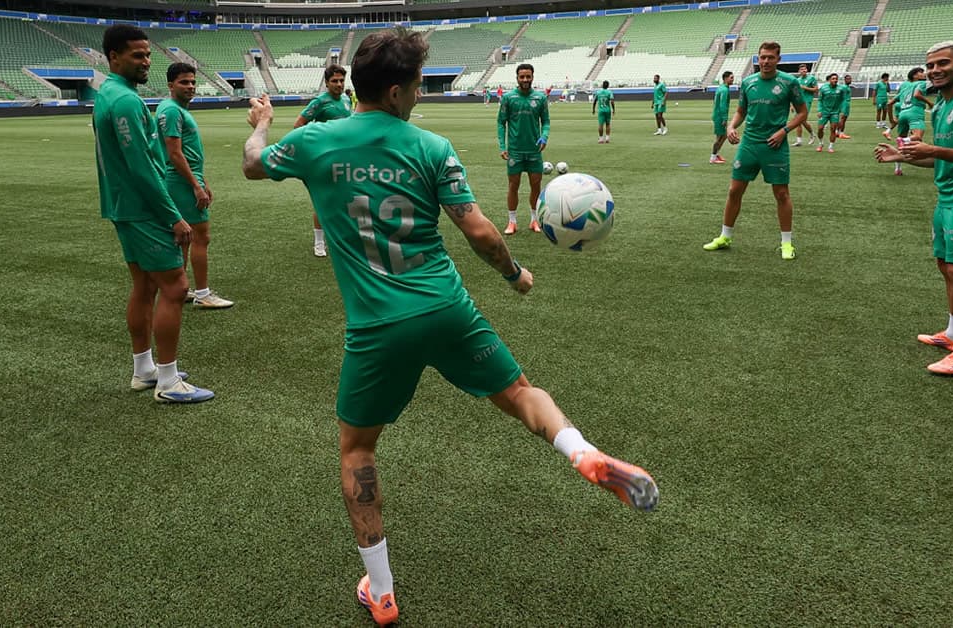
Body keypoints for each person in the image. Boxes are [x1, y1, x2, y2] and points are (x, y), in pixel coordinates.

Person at [241, 28, 659, 626]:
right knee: (517, 392)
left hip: (378, 327)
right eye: (415, 86)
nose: (419, 96)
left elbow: (254, 165)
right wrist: (515, 275)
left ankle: (381, 592)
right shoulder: (431, 147)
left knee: (358, 448)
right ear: (393, 92)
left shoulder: (314, 140)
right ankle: (583, 452)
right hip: (445, 307)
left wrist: (260, 123)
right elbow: (482, 233)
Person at [93, 25, 213, 403]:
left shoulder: (111, 94)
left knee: (144, 287)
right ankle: (168, 382)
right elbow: (142, 169)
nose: (146, 62)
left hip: (122, 206)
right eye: (137, 55)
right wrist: (173, 217)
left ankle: (144, 370)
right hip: (141, 209)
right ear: (114, 57)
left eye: (147, 55)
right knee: (176, 287)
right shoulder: (125, 102)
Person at [874, 41, 953, 375]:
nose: (935, 70)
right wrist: (902, 156)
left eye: (943, 63)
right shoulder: (942, 105)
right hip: (948, 196)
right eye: (930, 65)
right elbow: (939, 159)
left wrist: (934, 150)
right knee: (945, 265)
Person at [703, 41, 807, 260]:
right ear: (758, 59)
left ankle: (787, 243)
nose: (766, 61)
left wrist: (784, 131)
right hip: (749, 144)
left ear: (778, 59)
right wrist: (731, 127)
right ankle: (725, 236)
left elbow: (802, 113)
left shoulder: (789, 82)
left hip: (775, 145)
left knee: (781, 194)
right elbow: (741, 111)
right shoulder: (748, 82)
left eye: (770, 57)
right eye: (762, 57)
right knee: (734, 191)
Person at [156, 63, 234, 310]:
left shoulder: (175, 109)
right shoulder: (171, 110)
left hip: (187, 180)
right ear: (170, 85)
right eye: (184, 82)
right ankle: (203, 293)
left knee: (186, 238)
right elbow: (175, 154)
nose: (190, 87)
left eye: (192, 82)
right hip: (180, 182)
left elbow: (188, 155)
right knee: (202, 236)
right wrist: (196, 186)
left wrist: (204, 182)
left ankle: (181, 287)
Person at [292, 64, 352, 257]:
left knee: (345, 199)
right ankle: (319, 243)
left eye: (341, 80)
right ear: (327, 83)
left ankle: (341, 238)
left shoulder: (346, 99)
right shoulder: (319, 102)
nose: (339, 84)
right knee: (324, 201)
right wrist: (313, 148)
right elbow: (299, 125)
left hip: (345, 157)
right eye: (334, 81)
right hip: (325, 159)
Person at [497, 63, 550, 235]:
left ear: (533, 77)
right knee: (513, 185)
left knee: (536, 186)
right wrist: (503, 146)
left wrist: (544, 136)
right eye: (522, 77)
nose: (525, 79)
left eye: (528, 76)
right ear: (517, 78)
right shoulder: (508, 98)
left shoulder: (540, 98)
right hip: (515, 151)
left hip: (534, 151)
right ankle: (512, 222)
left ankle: (534, 220)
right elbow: (501, 122)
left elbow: (546, 122)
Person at [884, 67, 932, 175]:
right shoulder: (921, 83)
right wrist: (929, 103)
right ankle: (905, 141)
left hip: (902, 114)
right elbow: (917, 95)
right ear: (914, 75)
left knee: (901, 139)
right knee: (917, 136)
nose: (924, 74)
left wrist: (892, 120)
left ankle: (897, 169)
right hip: (915, 112)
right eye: (921, 72)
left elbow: (889, 103)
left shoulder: (905, 87)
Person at [814, 73, 845, 153]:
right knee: (820, 128)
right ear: (829, 80)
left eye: (836, 79)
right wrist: (819, 110)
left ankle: (830, 146)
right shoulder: (823, 88)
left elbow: (843, 100)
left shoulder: (841, 89)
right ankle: (821, 143)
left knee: (833, 129)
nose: (835, 80)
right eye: (833, 78)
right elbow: (820, 100)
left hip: (835, 112)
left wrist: (842, 110)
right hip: (824, 112)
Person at [710, 70, 734, 164]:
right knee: (720, 137)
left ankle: (716, 154)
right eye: (731, 77)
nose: (733, 79)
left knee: (723, 136)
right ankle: (713, 157)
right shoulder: (724, 90)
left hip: (717, 115)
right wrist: (724, 118)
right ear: (725, 78)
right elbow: (722, 105)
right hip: (720, 116)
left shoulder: (721, 88)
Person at [792, 64, 818, 146]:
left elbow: (816, 90)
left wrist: (805, 88)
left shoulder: (811, 78)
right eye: (802, 69)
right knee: (798, 121)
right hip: (798, 102)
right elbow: (795, 93)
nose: (804, 70)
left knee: (802, 120)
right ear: (799, 71)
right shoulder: (797, 80)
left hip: (807, 101)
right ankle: (799, 141)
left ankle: (812, 134)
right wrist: (792, 105)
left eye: (805, 69)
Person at [592, 79, 615, 143]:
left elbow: (594, 101)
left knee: (600, 125)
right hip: (607, 110)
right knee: (608, 124)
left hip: (601, 110)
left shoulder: (598, 92)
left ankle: (601, 139)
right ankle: (607, 138)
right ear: (608, 86)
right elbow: (612, 101)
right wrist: (613, 109)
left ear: (602, 85)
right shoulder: (609, 92)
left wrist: (593, 109)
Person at [837, 74, 853, 138]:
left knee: (843, 119)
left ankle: (837, 132)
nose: (850, 80)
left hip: (845, 103)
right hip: (845, 103)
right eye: (848, 79)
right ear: (845, 80)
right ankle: (841, 133)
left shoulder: (847, 86)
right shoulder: (844, 87)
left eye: (850, 79)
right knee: (843, 119)